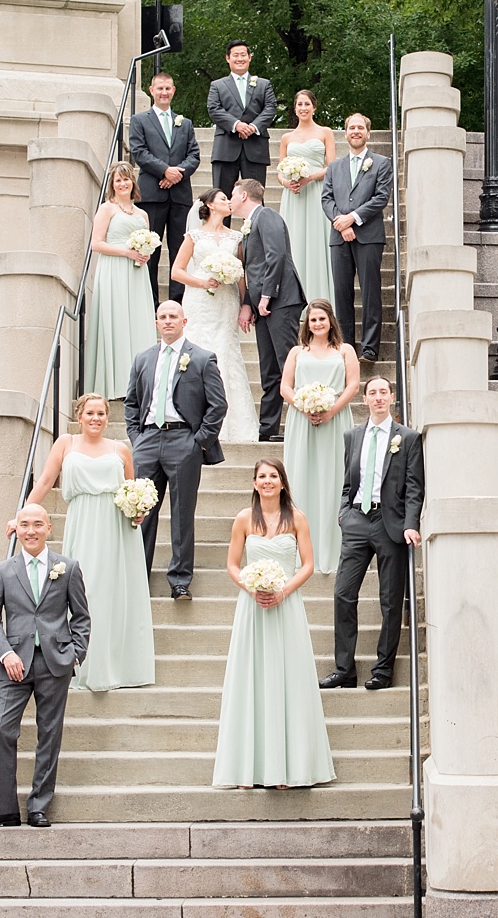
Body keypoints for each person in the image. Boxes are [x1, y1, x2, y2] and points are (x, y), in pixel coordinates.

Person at [211, 458, 335, 790]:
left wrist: (283, 591)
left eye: (273, 476)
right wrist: (250, 585)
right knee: (251, 679)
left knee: (286, 679)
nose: (267, 481)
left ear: (282, 482)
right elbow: (232, 565)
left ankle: (286, 769)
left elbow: (308, 564)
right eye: (262, 476)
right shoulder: (242, 519)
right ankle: (247, 769)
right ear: (254, 483)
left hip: (287, 605)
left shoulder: (297, 518)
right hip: (251, 607)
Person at [20, 393, 154, 692]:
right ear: (79, 416)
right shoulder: (65, 443)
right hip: (83, 523)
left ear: (108, 418)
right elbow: (44, 481)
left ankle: (117, 667)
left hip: (116, 530)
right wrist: (24, 515)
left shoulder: (121, 449)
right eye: (90, 413)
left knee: (112, 592)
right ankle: (80, 663)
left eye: (101, 414)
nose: (96, 419)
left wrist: (139, 511)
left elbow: (133, 490)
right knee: (85, 590)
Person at [0, 505, 90, 828]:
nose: (31, 531)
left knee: (49, 734)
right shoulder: (3, 571)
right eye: (25, 525)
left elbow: (81, 617)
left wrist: (76, 653)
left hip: (56, 662)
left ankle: (39, 805)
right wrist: (5, 653)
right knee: (1, 729)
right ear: (17, 529)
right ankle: (5, 809)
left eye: (38, 524)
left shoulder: (67, 567)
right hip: (15, 664)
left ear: (49, 528)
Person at [323, 377, 424, 691]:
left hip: (389, 523)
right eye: (372, 393)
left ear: (392, 397)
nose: (378, 398)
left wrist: (411, 523)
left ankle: (383, 669)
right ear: (364, 399)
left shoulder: (407, 438)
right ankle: (344, 669)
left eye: (384, 392)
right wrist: (344, 511)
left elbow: (415, 488)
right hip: (355, 520)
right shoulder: (352, 436)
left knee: (391, 601)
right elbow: (347, 480)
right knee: (343, 594)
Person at [124, 300, 228, 601]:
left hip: (183, 440)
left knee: (182, 514)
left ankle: (180, 580)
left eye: (173, 316)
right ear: (156, 323)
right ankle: (137, 576)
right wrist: (135, 436)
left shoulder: (202, 358)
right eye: (162, 317)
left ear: (184, 321)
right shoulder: (142, 359)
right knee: (141, 512)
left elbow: (218, 405)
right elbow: (131, 402)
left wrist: (199, 442)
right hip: (147, 441)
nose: (167, 321)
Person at [171, 187, 258, 444]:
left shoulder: (236, 237)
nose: (228, 202)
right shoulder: (194, 236)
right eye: (222, 199)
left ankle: (233, 424)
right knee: (199, 350)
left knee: (226, 353)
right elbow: (176, 271)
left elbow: (241, 274)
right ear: (209, 205)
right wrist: (202, 283)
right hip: (200, 301)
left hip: (227, 302)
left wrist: (245, 304)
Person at [281, 299, 358, 575]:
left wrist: (330, 411)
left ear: (331, 321)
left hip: (335, 419)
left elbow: (353, 385)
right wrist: (305, 407)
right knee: (301, 476)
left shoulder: (345, 350)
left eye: (322, 319)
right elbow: (285, 387)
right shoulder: (297, 352)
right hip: (302, 421)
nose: (317, 324)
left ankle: (332, 547)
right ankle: (301, 549)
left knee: (333, 478)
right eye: (313, 320)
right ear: (307, 324)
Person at [230, 179, 306, 442]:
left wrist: (266, 295)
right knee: (269, 369)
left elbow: (276, 255)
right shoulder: (249, 226)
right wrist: (250, 304)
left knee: (288, 363)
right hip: (264, 306)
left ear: (243, 196)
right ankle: (268, 429)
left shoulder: (267, 215)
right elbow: (254, 268)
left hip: (281, 300)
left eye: (232, 195)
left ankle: (304, 420)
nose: (230, 199)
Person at [320, 113, 394, 361]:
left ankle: (370, 347)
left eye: (360, 127)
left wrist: (353, 218)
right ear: (345, 133)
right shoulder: (334, 167)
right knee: (342, 293)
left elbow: (381, 197)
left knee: (371, 291)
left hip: (368, 236)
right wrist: (341, 224)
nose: (356, 131)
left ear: (368, 133)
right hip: (339, 236)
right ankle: (345, 345)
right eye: (351, 127)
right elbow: (326, 199)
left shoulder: (381, 163)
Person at [83, 161, 157, 401]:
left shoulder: (142, 214)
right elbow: (96, 244)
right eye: (118, 180)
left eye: (126, 179)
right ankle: (114, 384)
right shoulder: (107, 209)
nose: (123, 183)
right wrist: (126, 252)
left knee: (137, 321)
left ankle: (140, 384)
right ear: (112, 185)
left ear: (133, 182)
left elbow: (146, 241)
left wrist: (144, 253)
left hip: (137, 272)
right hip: (114, 269)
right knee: (116, 320)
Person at [127, 71, 201, 303]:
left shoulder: (185, 123)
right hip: (151, 194)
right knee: (151, 249)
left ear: (173, 90)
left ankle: (178, 301)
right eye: (160, 88)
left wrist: (176, 174)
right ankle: (150, 301)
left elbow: (194, 155)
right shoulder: (140, 120)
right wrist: (164, 170)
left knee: (180, 249)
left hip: (179, 195)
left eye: (168, 88)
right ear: (151, 90)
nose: (164, 92)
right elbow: (139, 152)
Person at [276, 89, 336, 305]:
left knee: (315, 240)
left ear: (314, 107)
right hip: (293, 195)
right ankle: (293, 298)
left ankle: (319, 298)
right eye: (299, 104)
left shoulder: (325, 133)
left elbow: (331, 167)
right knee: (294, 239)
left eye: (307, 104)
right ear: (295, 108)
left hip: (316, 190)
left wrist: (309, 178)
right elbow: (279, 171)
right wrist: (287, 182)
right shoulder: (286, 138)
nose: (303, 108)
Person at [206, 41, 278, 197]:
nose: (240, 59)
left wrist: (253, 127)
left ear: (250, 57)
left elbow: (270, 108)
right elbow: (214, 109)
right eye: (235, 55)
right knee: (221, 198)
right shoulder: (217, 85)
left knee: (255, 199)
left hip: (255, 148)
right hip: (225, 149)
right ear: (228, 58)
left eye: (243, 55)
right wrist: (236, 125)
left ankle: (255, 223)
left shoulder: (264, 84)